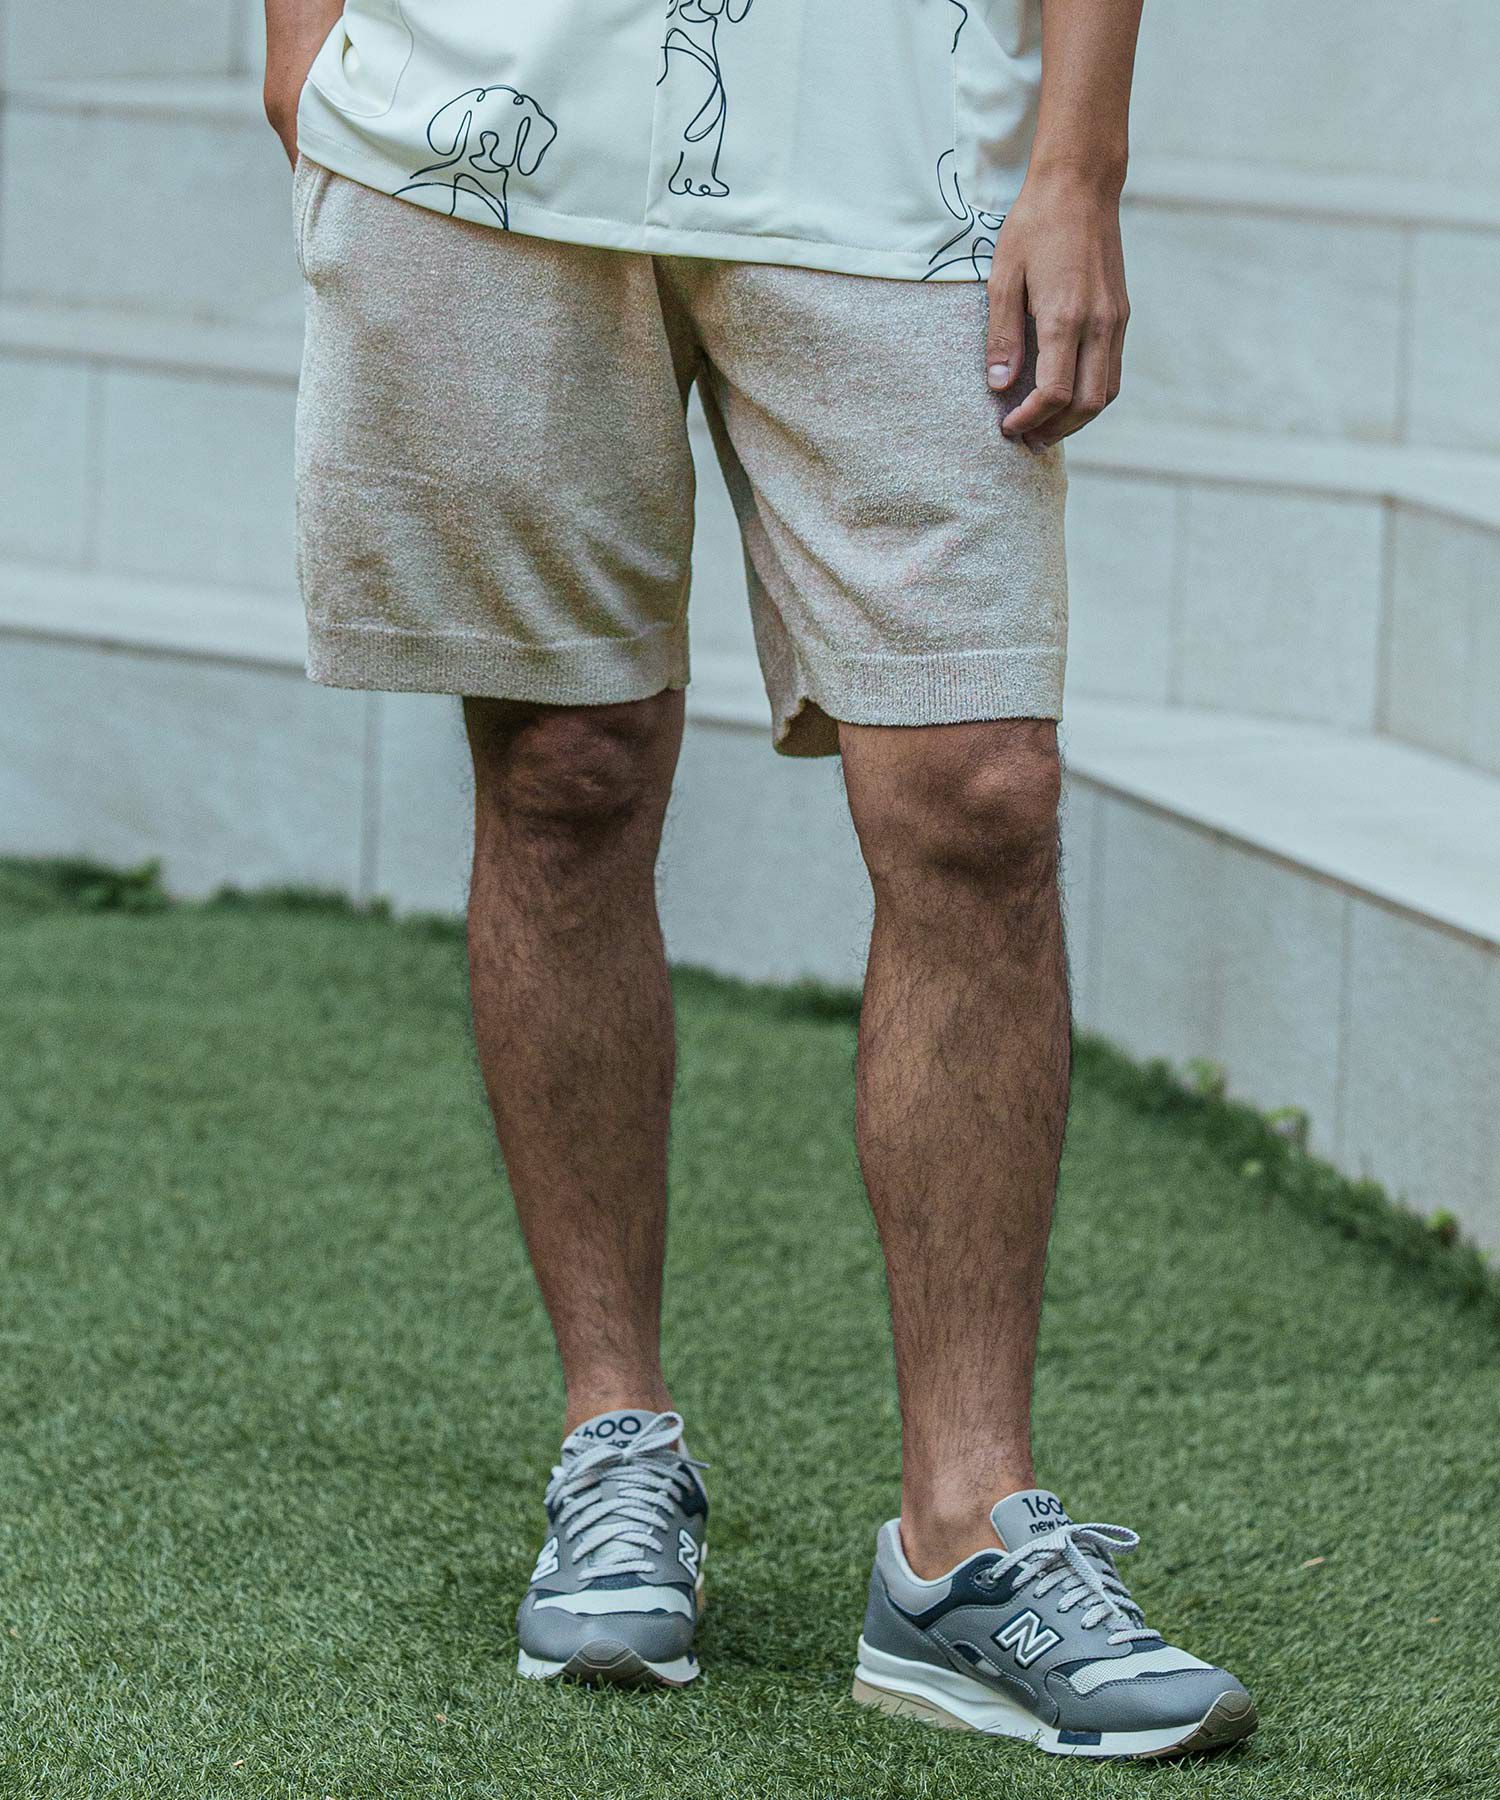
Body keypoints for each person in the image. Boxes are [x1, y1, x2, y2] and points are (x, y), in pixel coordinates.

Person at [264, 0, 1257, 1760]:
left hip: (903, 134)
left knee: (980, 793)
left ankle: (965, 1534)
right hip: (476, 108)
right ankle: (614, 1439)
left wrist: (1080, 161)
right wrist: (301, 44)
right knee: (563, 773)